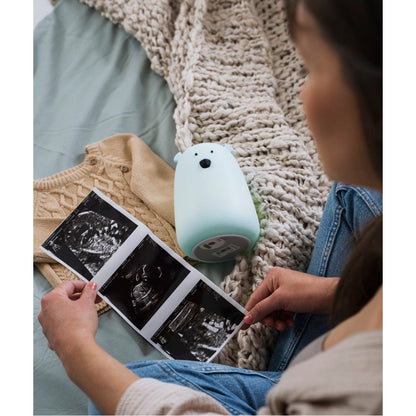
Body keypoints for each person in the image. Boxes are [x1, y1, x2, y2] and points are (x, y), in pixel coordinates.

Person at [38, 0, 382, 414]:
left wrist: (74, 349)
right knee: (356, 192)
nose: (300, 93)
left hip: (312, 387)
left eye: (315, 69)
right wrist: (337, 292)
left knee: (132, 390)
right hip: (359, 338)